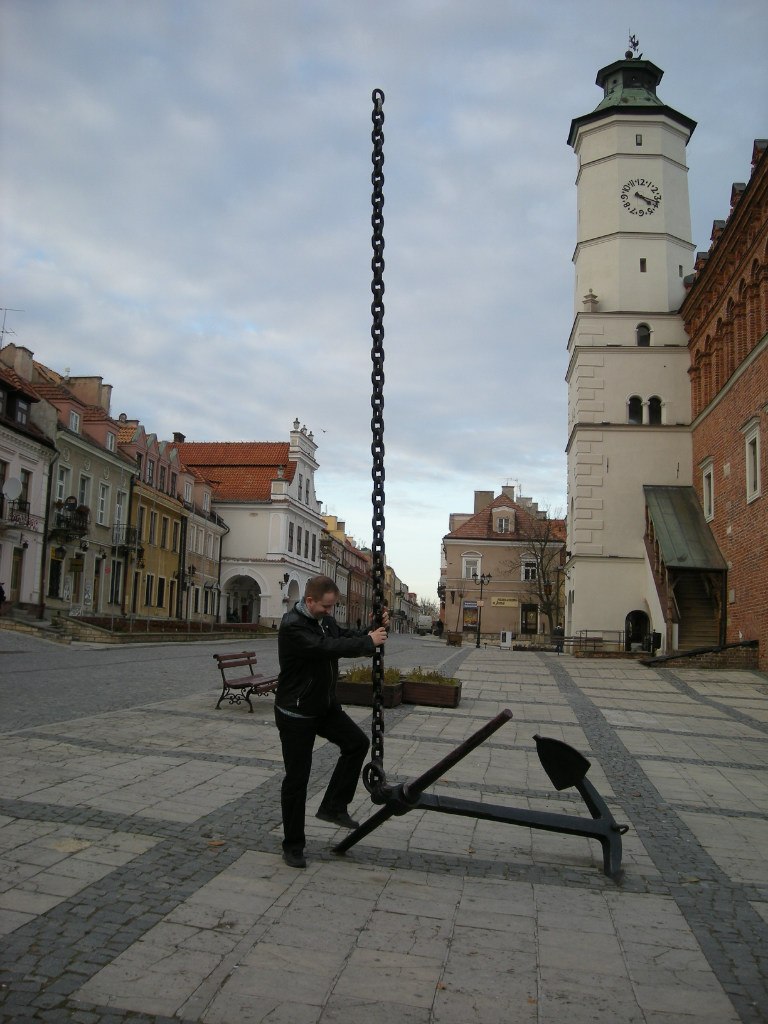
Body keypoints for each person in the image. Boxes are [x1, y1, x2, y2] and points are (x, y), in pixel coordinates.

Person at [275, 575, 388, 869]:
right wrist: (367, 642)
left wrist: (373, 632)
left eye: (332, 607)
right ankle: (293, 845)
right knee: (297, 780)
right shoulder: (293, 626)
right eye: (326, 606)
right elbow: (325, 648)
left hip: (322, 706)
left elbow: (344, 637)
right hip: (296, 712)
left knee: (356, 743)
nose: (330, 611)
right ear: (309, 601)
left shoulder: (323, 621)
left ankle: (333, 806)